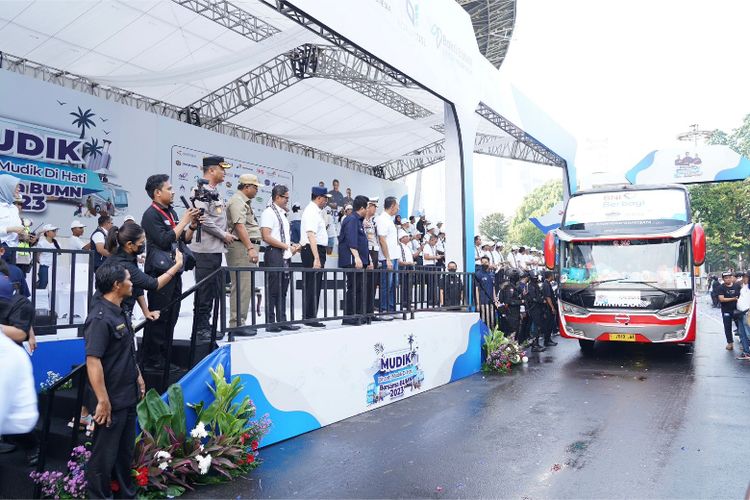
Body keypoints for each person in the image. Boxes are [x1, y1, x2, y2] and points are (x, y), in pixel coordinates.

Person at [84, 264, 145, 499]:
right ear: (117, 285)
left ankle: (126, 495)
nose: (133, 283)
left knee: (124, 453)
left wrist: (137, 374)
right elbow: (93, 360)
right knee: (103, 457)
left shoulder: (119, 310)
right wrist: (102, 400)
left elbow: (126, 350)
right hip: (111, 400)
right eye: (129, 279)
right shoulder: (100, 318)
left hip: (127, 394)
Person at [141, 174, 199, 371]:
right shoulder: (151, 215)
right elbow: (164, 240)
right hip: (159, 272)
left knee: (172, 315)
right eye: (169, 188)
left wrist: (191, 225)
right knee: (159, 316)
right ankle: (152, 359)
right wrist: (183, 220)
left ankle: (164, 358)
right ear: (157, 193)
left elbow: (184, 239)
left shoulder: (172, 212)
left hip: (175, 270)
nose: (173, 191)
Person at [189, 156, 236, 340]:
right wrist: (223, 234)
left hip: (215, 250)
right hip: (204, 250)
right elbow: (203, 219)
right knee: (204, 292)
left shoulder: (214, 192)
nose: (224, 172)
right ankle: (200, 329)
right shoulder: (199, 190)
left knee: (213, 292)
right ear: (211, 170)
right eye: (221, 169)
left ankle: (206, 326)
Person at [103, 222, 183, 321]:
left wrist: (146, 312)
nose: (143, 245)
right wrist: (178, 264)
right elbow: (153, 284)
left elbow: (137, 286)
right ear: (129, 244)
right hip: (110, 316)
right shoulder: (123, 264)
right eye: (141, 243)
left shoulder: (128, 256)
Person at [260, 185, 300, 333]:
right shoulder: (268, 212)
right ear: (277, 197)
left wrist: (291, 246)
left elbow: (280, 236)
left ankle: (282, 320)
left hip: (283, 253)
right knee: (273, 289)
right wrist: (285, 246)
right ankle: (271, 322)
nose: (287, 201)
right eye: (286, 198)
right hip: (274, 253)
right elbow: (266, 236)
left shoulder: (282, 214)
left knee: (283, 289)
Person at [226, 174, 262, 336]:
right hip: (241, 248)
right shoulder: (237, 201)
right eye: (255, 187)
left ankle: (240, 322)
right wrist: (250, 248)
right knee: (241, 287)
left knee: (245, 288)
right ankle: (236, 324)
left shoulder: (243, 202)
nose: (257, 190)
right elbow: (239, 226)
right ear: (246, 186)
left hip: (245, 247)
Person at [300, 186, 331, 328]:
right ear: (319, 198)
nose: (326, 201)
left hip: (314, 249)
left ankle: (309, 315)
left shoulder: (315, 211)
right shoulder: (312, 211)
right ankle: (310, 317)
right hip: (314, 250)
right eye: (325, 198)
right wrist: (316, 258)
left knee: (314, 284)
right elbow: (311, 235)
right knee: (312, 284)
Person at [339, 195, 370, 325]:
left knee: (358, 288)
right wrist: (357, 257)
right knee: (353, 287)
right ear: (362, 207)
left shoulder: (358, 220)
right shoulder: (351, 219)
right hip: (352, 260)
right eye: (367, 207)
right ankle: (349, 316)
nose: (368, 209)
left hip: (358, 260)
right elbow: (351, 241)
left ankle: (357, 314)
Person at [376, 197, 400, 313]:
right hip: (387, 259)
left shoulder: (390, 219)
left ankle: (391, 308)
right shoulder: (382, 219)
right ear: (392, 206)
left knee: (393, 285)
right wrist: (388, 258)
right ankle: (384, 309)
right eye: (397, 206)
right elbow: (382, 240)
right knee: (386, 284)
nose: (398, 208)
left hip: (394, 257)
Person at [0, 176, 27, 264]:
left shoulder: (13, 208)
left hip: (13, 250)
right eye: (16, 186)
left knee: (11, 276)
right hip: (2, 248)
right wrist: (11, 229)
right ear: (6, 187)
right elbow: (12, 229)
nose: (19, 189)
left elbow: (17, 229)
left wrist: (22, 235)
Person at [363, 197, 381, 318]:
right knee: (366, 283)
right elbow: (364, 241)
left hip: (375, 252)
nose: (375, 209)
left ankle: (370, 311)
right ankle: (364, 311)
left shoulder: (372, 222)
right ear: (368, 206)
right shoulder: (363, 221)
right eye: (374, 206)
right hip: (367, 252)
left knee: (373, 283)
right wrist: (369, 258)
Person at [718, 271, 741, 350]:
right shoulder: (721, 287)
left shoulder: (737, 286)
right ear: (723, 279)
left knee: (740, 327)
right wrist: (733, 299)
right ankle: (730, 343)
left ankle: (743, 342)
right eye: (726, 278)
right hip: (726, 311)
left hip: (737, 310)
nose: (727, 279)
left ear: (732, 278)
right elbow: (721, 299)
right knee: (727, 327)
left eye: (729, 278)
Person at [525, 271, 548, 352]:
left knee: (538, 327)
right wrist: (542, 300)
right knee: (535, 327)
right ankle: (534, 345)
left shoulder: (535, 285)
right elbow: (534, 298)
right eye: (535, 277)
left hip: (538, 308)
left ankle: (537, 343)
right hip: (534, 308)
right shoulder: (531, 286)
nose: (536, 278)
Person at [35, 224, 60, 290]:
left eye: (55, 231)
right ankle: (38, 297)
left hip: (54, 266)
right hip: (45, 266)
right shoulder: (42, 243)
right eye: (53, 231)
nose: (55, 232)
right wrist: (41, 261)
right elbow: (37, 255)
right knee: (43, 283)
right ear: (47, 232)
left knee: (53, 284)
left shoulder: (57, 243)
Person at [475, 255, 496, 329]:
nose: (484, 264)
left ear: (489, 263)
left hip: (491, 302)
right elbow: (476, 289)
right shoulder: (478, 274)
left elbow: (493, 287)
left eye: (486, 262)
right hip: (483, 301)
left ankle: (492, 338)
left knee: (492, 321)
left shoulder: (492, 273)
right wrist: (478, 303)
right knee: (484, 321)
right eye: (482, 262)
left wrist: (495, 300)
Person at [397, 228, 415, 309]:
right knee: (405, 285)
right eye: (406, 237)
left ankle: (408, 301)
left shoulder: (407, 247)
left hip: (409, 266)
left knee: (409, 286)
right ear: (402, 238)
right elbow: (400, 259)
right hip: (404, 267)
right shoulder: (399, 246)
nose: (408, 238)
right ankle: (404, 302)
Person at [734, 272, 750, 360]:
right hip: (740, 312)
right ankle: (746, 352)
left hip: (747, 313)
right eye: (743, 277)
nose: (744, 278)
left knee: (748, 333)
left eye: (746, 277)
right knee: (742, 334)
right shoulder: (743, 286)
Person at [422, 233, 440, 306]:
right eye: (435, 241)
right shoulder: (426, 246)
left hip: (433, 265)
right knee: (431, 284)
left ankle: (434, 299)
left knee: (434, 284)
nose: (435, 243)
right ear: (431, 240)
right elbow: (426, 257)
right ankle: (430, 300)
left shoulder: (433, 247)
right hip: (428, 266)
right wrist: (436, 257)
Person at [541, 271, 558, 347]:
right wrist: (552, 308)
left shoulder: (547, 283)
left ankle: (548, 340)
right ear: (550, 276)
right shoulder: (546, 284)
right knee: (549, 325)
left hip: (549, 307)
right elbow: (548, 297)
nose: (554, 276)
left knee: (550, 325)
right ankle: (547, 341)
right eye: (553, 275)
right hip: (548, 308)